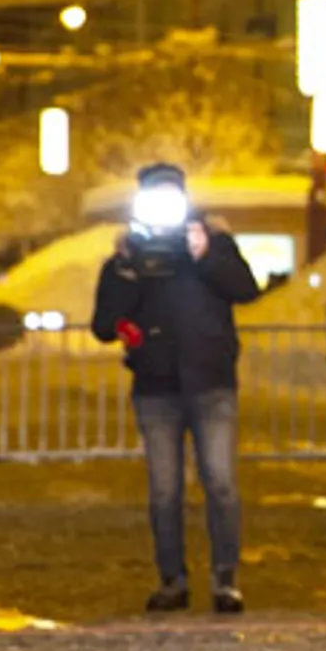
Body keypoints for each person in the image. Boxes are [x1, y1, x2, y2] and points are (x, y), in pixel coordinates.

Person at [91, 161, 261, 613]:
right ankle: (173, 579)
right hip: (156, 387)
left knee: (221, 483)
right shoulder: (129, 254)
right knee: (165, 489)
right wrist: (127, 271)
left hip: (211, 381)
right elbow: (103, 324)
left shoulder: (212, 242)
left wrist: (206, 254)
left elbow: (247, 289)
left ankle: (226, 580)